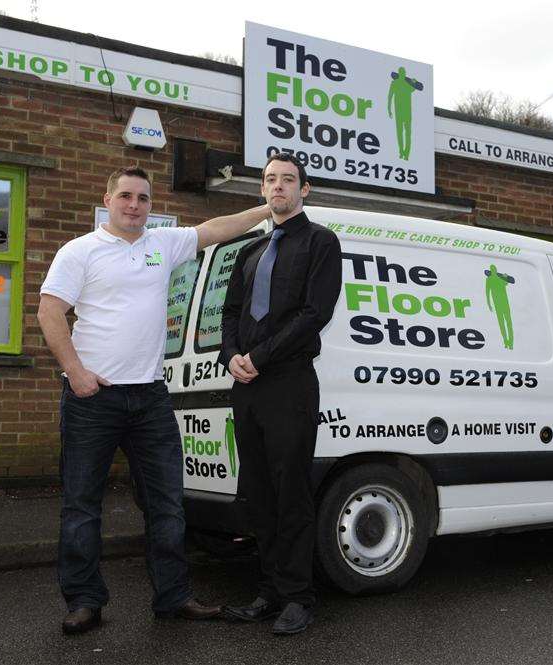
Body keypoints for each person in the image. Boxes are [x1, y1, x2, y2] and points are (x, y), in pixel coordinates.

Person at [38, 166, 270, 635]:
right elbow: (49, 311)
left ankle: (173, 596)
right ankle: (84, 600)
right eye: (125, 196)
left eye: (143, 198)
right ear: (108, 199)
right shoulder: (79, 251)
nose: (134, 205)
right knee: (82, 506)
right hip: (92, 399)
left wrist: (269, 208)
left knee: (167, 504)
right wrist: (77, 374)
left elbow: (213, 229)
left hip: (149, 399)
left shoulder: (161, 245)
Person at [218, 154, 342, 636]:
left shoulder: (320, 243)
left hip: (288, 382)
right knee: (258, 492)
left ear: (304, 190)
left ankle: (298, 597)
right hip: (245, 384)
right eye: (271, 180)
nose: (278, 187)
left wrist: (261, 357)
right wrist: (231, 356)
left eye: (288, 180)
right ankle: (269, 590)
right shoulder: (250, 251)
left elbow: (315, 313)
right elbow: (230, 311)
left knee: (291, 490)